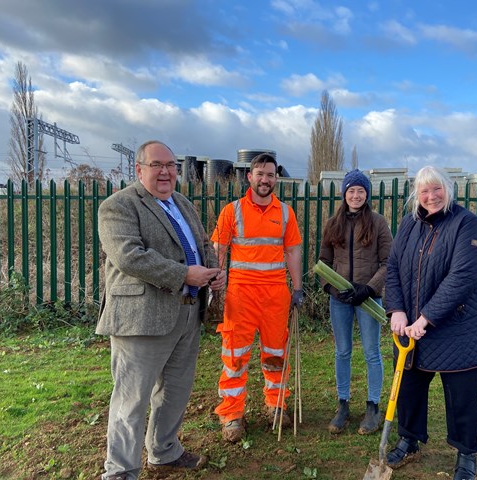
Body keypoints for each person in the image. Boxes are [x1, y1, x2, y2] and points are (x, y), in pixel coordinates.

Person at [96, 140, 226, 480]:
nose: (166, 171)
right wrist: (184, 274)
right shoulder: (118, 206)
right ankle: (121, 470)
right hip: (141, 317)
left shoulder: (182, 203)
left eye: (171, 165)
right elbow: (129, 256)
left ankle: (164, 451)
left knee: (175, 391)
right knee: (132, 399)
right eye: (157, 165)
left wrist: (212, 271)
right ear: (139, 170)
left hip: (186, 312)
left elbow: (202, 244)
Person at [385, 166, 477, 480]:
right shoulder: (408, 224)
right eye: (424, 191)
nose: (431, 196)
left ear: (448, 190)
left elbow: (462, 277)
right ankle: (409, 439)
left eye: (437, 190)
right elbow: (393, 267)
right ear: (416, 195)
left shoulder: (465, 223)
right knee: (408, 388)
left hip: (457, 329)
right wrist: (397, 310)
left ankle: (466, 454)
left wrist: (427, 317)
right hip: (412, 329)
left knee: (461, 396)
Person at [211, 153, 303, 443]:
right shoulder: (232, 211)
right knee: (235, 357)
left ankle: (276, 405)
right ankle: (232, 414)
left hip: (276, 295)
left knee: (276, 355)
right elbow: (218, 251)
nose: (265, 179)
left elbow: (292, 252)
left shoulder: (286, 213)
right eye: (260, 174)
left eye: (270, 174)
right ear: (249, 177)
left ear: (276, 178)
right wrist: (214, 289)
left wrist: (298, 288)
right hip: (240, 296)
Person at [319, 169, 392, 435]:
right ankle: (343, 404)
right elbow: (323, 263)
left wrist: (369, 288)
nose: (356, 195)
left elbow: (388, 263)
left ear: (367, 194)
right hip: (340, 300)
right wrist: (331, 288)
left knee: (372, 352)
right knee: (342, 352)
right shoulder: (332, 224)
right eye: (351, 190)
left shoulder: (378, 222)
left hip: (369, 299)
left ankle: (373, 407)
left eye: (361, 190)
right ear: (344, 194)